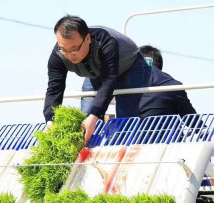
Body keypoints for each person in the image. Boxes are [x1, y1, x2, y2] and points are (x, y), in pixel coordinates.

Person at [44, 15, 151, 143]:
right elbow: (54, 89)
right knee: (85, 116)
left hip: (130, 67)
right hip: (96, 73)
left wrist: (95, 116)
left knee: (125, 114)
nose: (69, 55)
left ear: (87, 38)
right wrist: (50, 120)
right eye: (64, 50)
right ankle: (90, 151)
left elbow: (109, 80)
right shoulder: (58, 55)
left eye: (74, 49)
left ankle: (123, 147)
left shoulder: (106, 42)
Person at [137, 45, 197, 118]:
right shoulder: (173, 86)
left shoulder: (123, 82)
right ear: (159, 64)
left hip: (128, 128)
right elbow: (190, 119)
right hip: (166, 128)